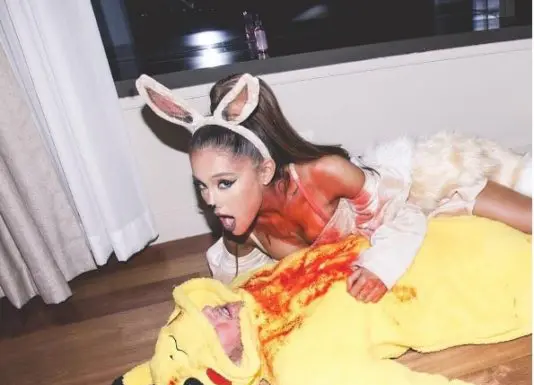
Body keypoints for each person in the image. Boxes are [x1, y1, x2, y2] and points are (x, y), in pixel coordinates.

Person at [136, 72, 532, 303]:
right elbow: (243, 291)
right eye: (202, 187)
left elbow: (406, 213)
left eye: (223, 183)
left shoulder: (323, 173)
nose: (210, 200)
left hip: (424, 185)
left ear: (265, 166)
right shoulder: (245, 229)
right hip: (395, 235)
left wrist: (378, 268)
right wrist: (232, 245)